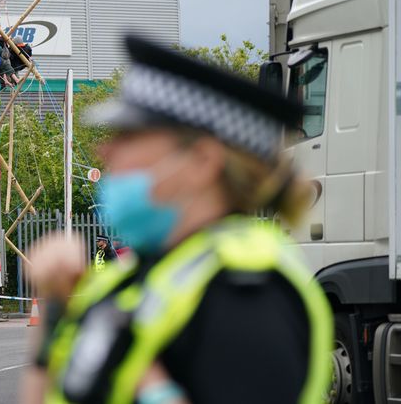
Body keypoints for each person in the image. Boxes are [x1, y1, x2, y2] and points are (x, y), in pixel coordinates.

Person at [20, 36, 332, 404]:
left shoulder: (245, 292)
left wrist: (153, 391)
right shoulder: (134, 276)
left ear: (201, 161)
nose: (105, 150)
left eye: (130, 135)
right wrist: (55, 308)